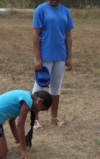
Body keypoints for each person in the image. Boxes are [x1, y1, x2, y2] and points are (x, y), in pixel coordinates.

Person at [32, 0, 74, 131]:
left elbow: (68, 36)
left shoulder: (65, 11)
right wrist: (38, 58)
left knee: (56, 86)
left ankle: (54, 117)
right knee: (40, 86)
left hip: (60, 55)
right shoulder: (40, 10)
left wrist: (69, 57)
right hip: (45, 55)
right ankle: (34, 120)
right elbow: (36, 34)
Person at [0, 90, 53, 159]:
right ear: (40, 101)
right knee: (0, 154)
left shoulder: (25, 96)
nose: (38, 111)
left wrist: (17, 139)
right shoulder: (28, 101)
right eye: (41, 109)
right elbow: (20, 125)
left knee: (4, 150)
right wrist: (24, 150)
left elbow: (12, 120)